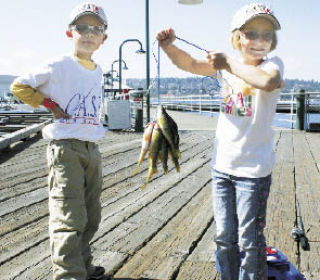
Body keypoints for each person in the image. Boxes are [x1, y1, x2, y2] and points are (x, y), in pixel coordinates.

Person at [157, 3, 284, 280]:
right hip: (222, 167)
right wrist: (169, 47)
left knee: (250, 241)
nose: (260, 41)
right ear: (237, 37)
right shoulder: (226, 68)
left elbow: (268, 82)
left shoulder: (272, 65)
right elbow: (189, 64)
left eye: (266, 35)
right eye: (252, 33)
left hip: (254, 171)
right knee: (224, 237)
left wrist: (229, 63)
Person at [10, 2, 109, 280]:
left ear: (104, 37)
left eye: (96, 28)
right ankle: (69, 274)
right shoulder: (58, 65)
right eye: (81, 27)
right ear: (70, 33)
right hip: (66, 148)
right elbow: (19, 86)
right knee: (69, 214)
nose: (88, 33)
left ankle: (83, 265)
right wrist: (49, 103)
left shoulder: (98, 70)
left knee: (91, 214)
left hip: (92, 148)